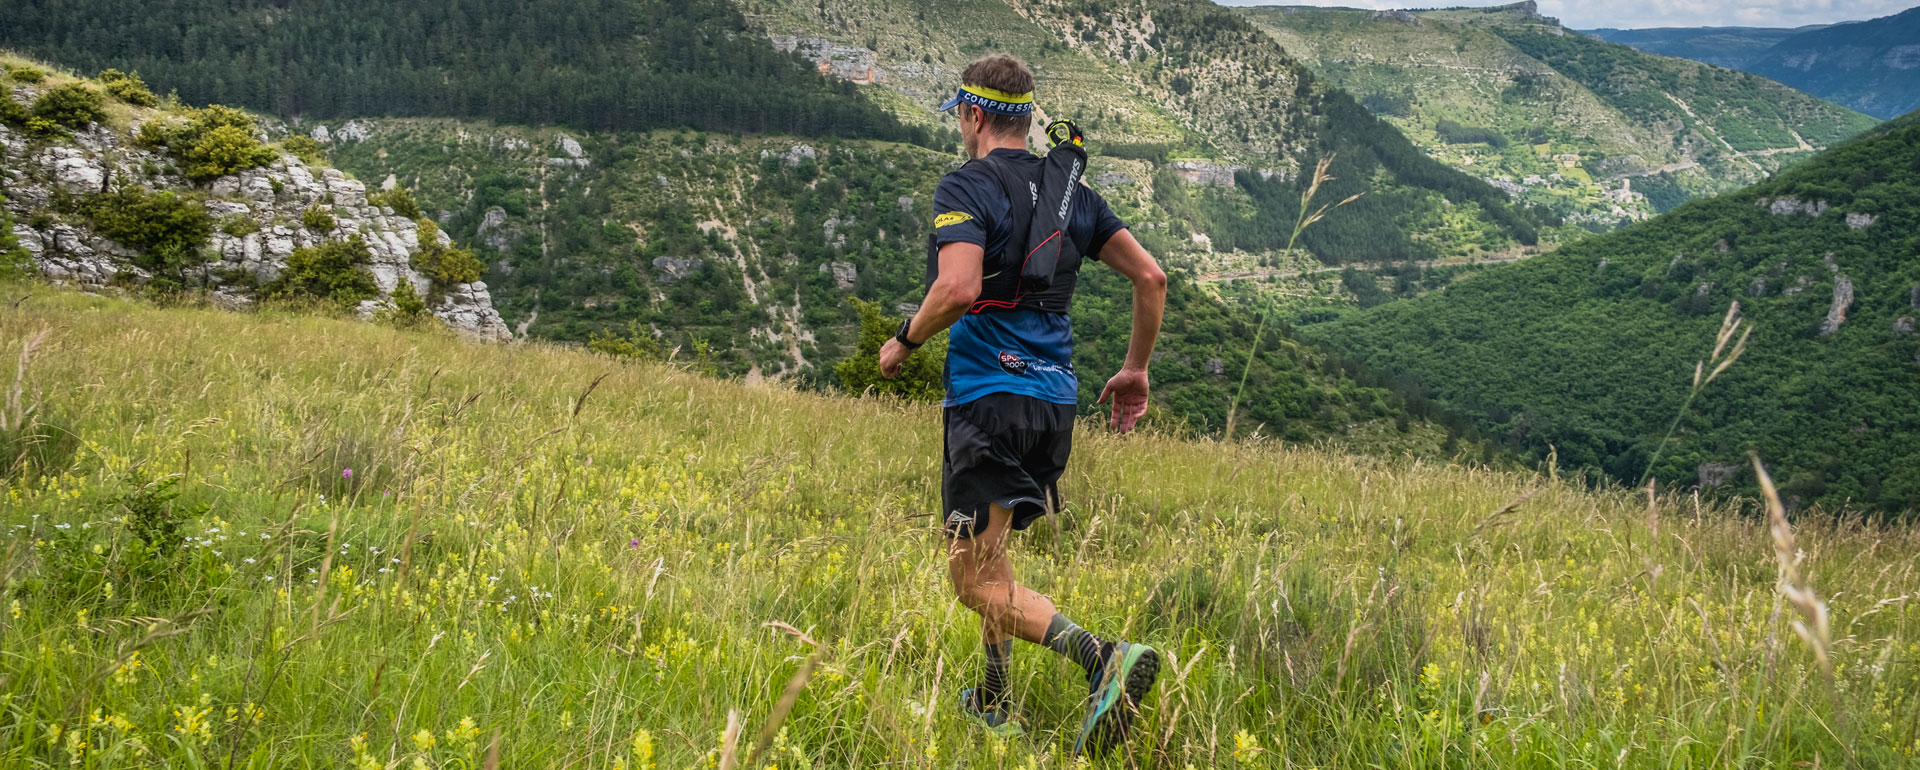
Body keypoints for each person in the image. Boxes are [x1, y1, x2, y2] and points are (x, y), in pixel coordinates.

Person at [877, 53, 1169, 756]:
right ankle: (994, 698)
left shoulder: (967, 184)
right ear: (1027, 116)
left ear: (972, 116)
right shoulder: (1071, 194)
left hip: (988, 399)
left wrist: (903, 341)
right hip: (1052, 403)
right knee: (993, 555)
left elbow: (957, 289)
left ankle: (1103, 657)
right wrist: (1134, 370)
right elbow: (1152, 278)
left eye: (960, 118)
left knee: (971, 579)